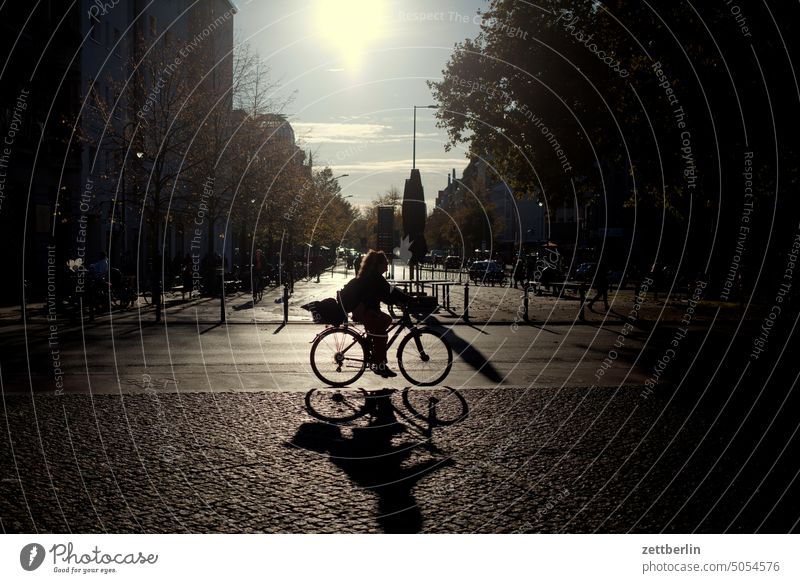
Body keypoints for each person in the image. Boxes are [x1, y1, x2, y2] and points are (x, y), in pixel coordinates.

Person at [349, 250, 413, 378]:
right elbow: (389, 292)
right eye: (385, 264)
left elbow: (385, 294)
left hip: (365, 310)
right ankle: (380, 365)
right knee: (382, 335)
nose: (387, 266)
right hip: (365, 311)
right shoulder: (375, 277)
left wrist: (397, 301)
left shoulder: (372, 275)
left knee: (386, 320)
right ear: (378, 265)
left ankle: (371, 346)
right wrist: (409, 299)